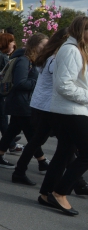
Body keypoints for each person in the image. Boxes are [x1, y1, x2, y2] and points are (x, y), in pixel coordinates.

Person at [14, 29, 88, 191]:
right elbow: (64, 82)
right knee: (65, 146)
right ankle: (77, 183)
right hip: (48, 106)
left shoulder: (48, 57)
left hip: (42, 105)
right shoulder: (56, 59)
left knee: (53, 143)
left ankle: (20, 171)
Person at [39, 16, 88, 216]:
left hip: (70, 110)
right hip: (71, 111)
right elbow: (63, 86)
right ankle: (60, 193)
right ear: (81, 31)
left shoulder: (76, 50)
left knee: (64, 153)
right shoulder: (70, 51)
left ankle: (45, 193)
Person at [0, 33, 49, 173]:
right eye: (44, 44)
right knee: (33, 135)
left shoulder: (32, 60)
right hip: (21, 103)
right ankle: (42, 162)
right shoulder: (24, 60)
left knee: (12, 131)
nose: (46, 47)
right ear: (35, 45)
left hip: (22, 102)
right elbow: (20, 83)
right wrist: (38, 83)